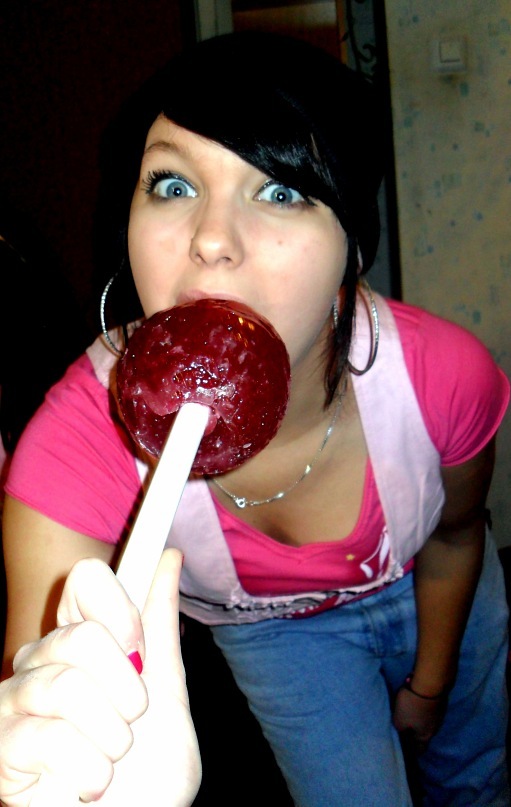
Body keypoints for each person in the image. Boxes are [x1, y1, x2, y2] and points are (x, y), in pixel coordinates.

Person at [0, 31, 509, 806]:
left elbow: (454, 535)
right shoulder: (72, 449)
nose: (210, 240)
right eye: (172, 183)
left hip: (433, 587)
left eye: (280, 192)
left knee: (475, 771)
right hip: (277, 638)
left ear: (351, 250)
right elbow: (47, 702)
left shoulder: (441, 376)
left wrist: (429, 685)